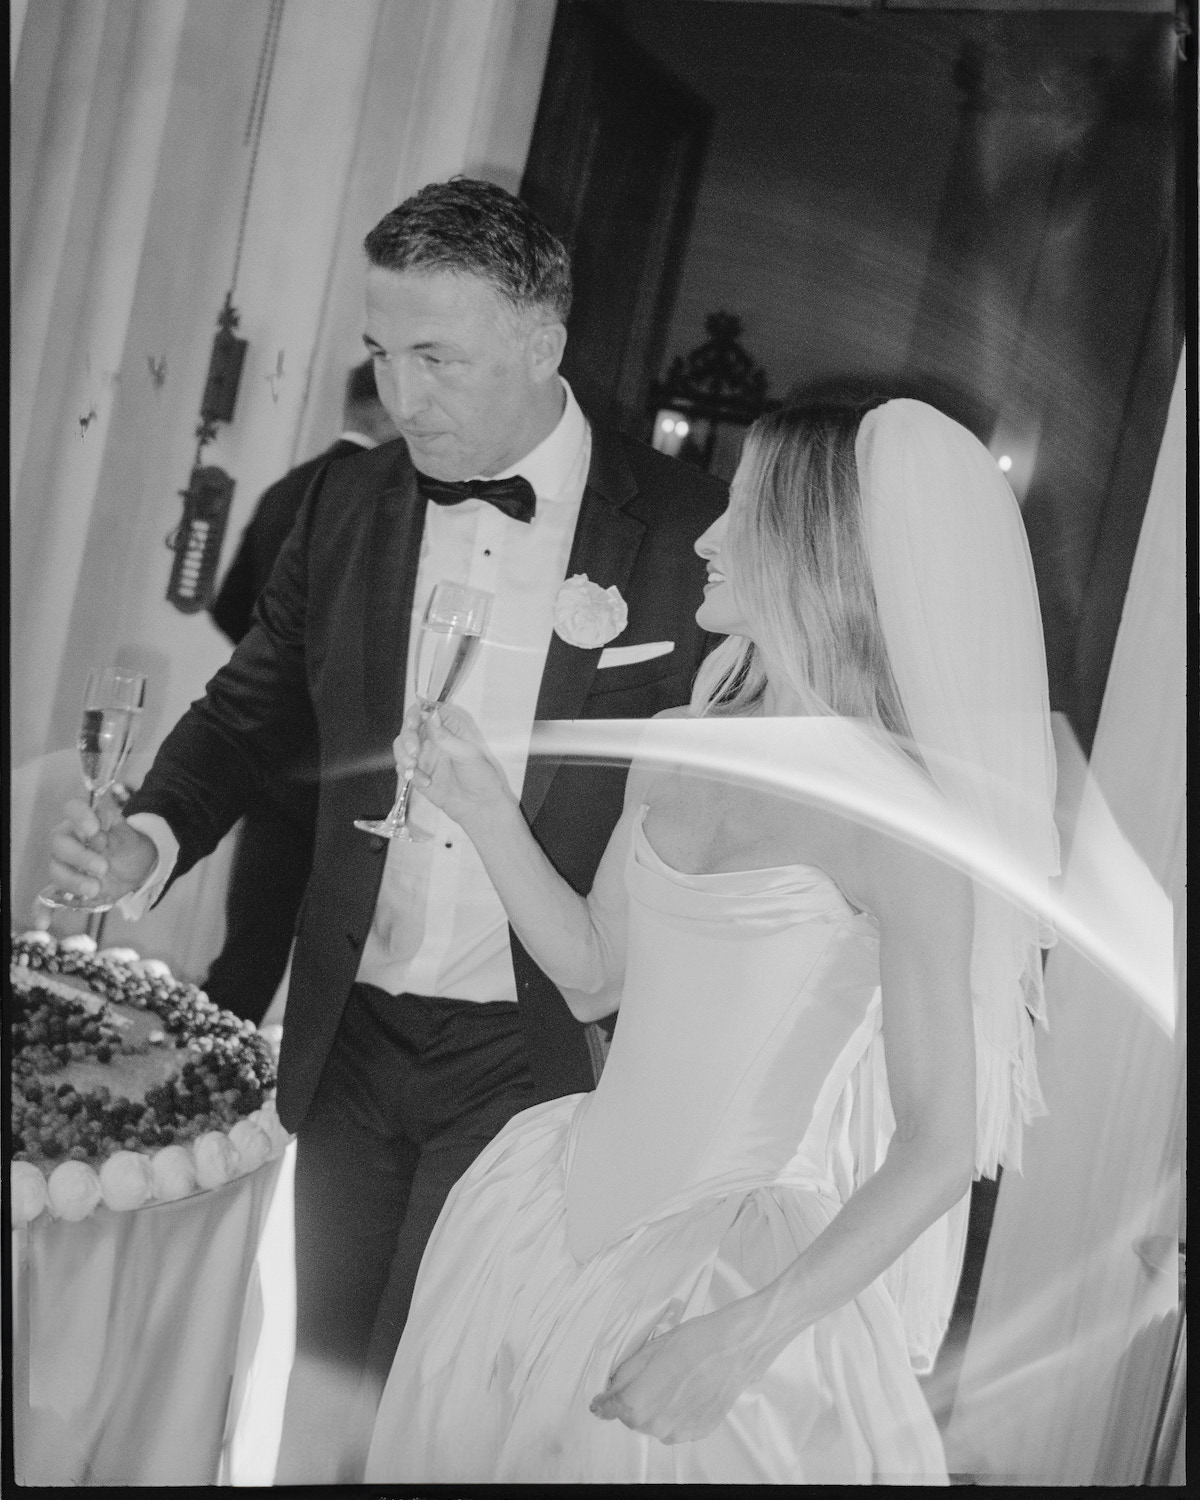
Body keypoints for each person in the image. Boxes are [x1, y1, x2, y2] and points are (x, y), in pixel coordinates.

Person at [45, 178, 726, 1482]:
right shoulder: (346, 504)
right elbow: (249, 710)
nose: (401, 396)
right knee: (320, 1387)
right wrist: (150, 836)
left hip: (537, 1051)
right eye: (381, 354)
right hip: (352, 1028)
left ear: (542, 341)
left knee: (442, 1407)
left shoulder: (686, 536)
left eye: (437, 357)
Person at [363, 397, 1060, 1483]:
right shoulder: (678, 741)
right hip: (546, 1223)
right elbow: (594, 975)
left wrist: (741, 1336)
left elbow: (939, 1144)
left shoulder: (900, 824)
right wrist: (486, 811)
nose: (704, 538)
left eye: (740, 511)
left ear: (813, 549)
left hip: (730, 1276)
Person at [202, 360, 399, 1024]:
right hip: (347, 768)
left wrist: (278, 677)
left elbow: (229, 606)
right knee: (345, 970)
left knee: (248, 956)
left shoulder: (287, 488)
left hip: (272, 756)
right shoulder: (383, 499)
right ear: (386, 406)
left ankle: (207, 1073)